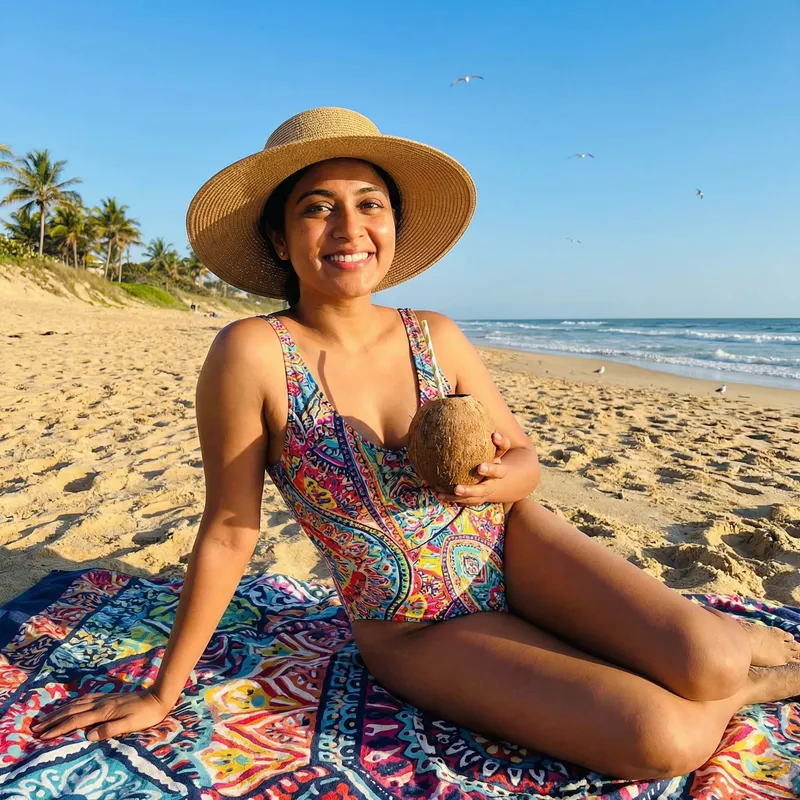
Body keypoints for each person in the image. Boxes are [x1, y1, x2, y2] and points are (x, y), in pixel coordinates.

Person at [31, 107, 800, 779]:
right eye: (316, 207)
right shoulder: (252, 354)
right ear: (278, 233)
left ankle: (743, 646)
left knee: (710, 660)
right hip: (416, 624)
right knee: (663, 735)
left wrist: (507, 479)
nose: (349, 227)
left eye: (370, 204)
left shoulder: (436, 335)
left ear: (394, 224)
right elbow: (232, 529)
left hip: (518, 549)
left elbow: (525, 461)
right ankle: (759, 684)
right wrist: (165, 690)